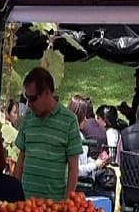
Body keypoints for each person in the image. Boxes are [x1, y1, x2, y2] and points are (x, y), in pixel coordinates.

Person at [14, 68, 82, 200]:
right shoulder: (28, 116)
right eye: (26, 98)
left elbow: (74, 168)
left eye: (32, 98)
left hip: (53, 208)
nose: (29, 104)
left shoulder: (69, 120)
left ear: (46, 93)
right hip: (25, 206)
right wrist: (16, 194)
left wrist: (67, 203)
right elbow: (21, 158)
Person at [69, 96, 110, 179]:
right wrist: (95, 165)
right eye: (84, 117)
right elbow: (77, 170)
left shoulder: (78, 134)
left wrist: (98, 162)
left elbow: (83, 161)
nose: (86, 120)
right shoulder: (72, 137)